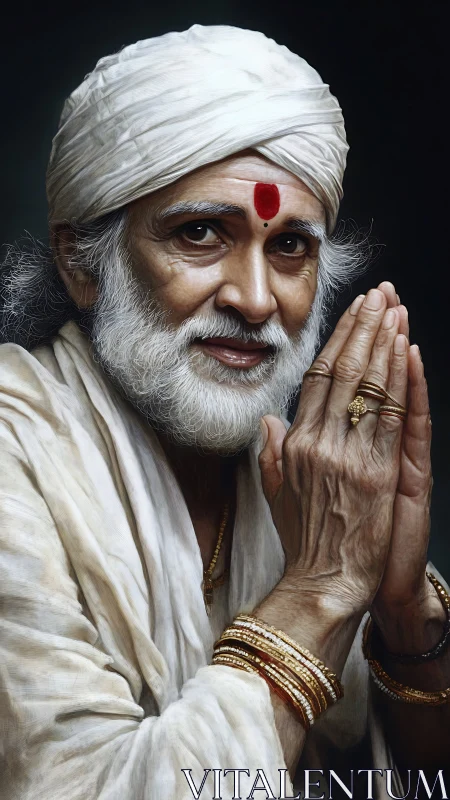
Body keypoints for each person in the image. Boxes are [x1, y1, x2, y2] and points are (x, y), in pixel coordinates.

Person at [0, 24, 448, 800]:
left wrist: (404, 618)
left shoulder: (311, 473)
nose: (254, 298)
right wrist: (320, 590)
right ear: (82, 263)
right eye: (201, 233)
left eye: (290, 248)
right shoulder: (16, 449)